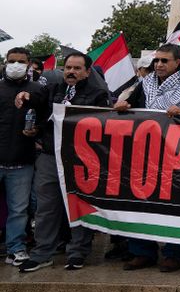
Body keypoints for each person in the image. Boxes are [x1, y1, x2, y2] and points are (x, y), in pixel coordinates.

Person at [113, 43, 180, 272]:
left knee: (175, 205)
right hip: (145, 154)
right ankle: (142, 251)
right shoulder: (145, 84)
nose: (158, 65)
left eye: (164, 61)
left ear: (177, 63)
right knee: (141, 202)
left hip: (177, 157)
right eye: (156, 61)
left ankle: (174, 253)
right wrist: (124, 107)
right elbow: (134, 106)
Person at [18, 53, 110, 273]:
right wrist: (26, 96)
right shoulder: (53, 90)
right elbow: (39, 104)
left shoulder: (98, 95)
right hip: (51, 156)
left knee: (79, 206)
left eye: (77, 68)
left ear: (87, 71)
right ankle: (43, 253)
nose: (71, 72)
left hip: (81, 159)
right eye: (68, 67)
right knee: (46, 207)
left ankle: (77, 252)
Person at [1, 47, 45, 267]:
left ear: (29, 64)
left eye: (21, 61)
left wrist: (36, 128)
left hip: (22, 161)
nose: (16, 65)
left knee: (18, 210)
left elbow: (45, 115)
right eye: (12, 61)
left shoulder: (37, 89)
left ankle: (15, 249)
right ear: (5, 62)